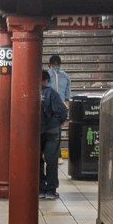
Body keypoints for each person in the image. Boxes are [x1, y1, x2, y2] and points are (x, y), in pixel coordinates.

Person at [39, 70, 69, 199]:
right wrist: (58, 122)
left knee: (37, 160)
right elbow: (62, 111)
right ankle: (51, 191)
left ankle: (40, 188)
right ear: (46, 80)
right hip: (52, 130)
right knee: (51, 160)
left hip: (36, 132)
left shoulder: (30, 92)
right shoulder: (51, 93)